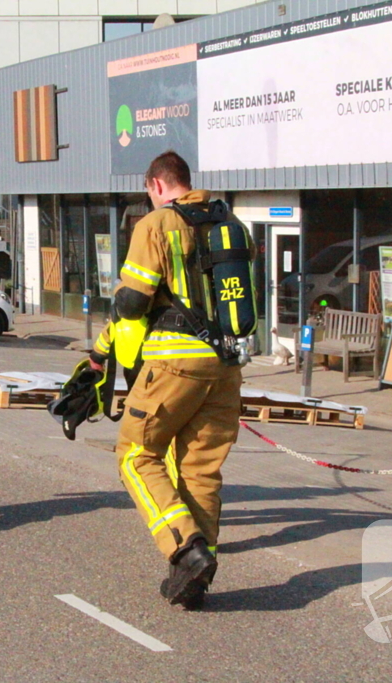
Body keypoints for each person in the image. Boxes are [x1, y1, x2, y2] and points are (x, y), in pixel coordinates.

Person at [89, 151, 249, 609]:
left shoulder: (155, 226)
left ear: (156, 185)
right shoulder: (230, 225)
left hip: (174, 360)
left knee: (136, 454)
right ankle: (195, 578)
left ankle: (185, 548)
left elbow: (135, 303)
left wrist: (120, 297)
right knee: (200, 470)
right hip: (225, 365)